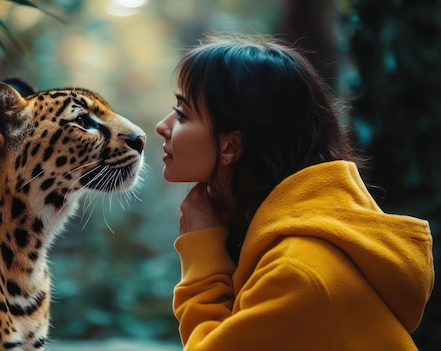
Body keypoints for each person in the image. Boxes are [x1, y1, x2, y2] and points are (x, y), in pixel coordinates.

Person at [155, 33, 434, 350]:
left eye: (182, 114)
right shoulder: (287, 243)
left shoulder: (297, 271)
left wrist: (202, 253)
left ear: (231, 145)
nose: (162, 126)